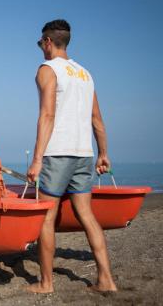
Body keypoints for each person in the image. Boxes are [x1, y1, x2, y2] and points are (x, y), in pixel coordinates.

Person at [26, 19, 117, 293]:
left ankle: (46, 283)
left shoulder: (47, 69)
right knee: (87, 215)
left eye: (40, 43)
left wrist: (37, 159)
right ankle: (106, 280)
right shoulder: (85, 74)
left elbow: (47, 115)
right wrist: (103, 153)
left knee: (46, 218)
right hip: (83, 153)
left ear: (49, 42)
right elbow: (97, 119)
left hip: (58, 153)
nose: (40, 47)